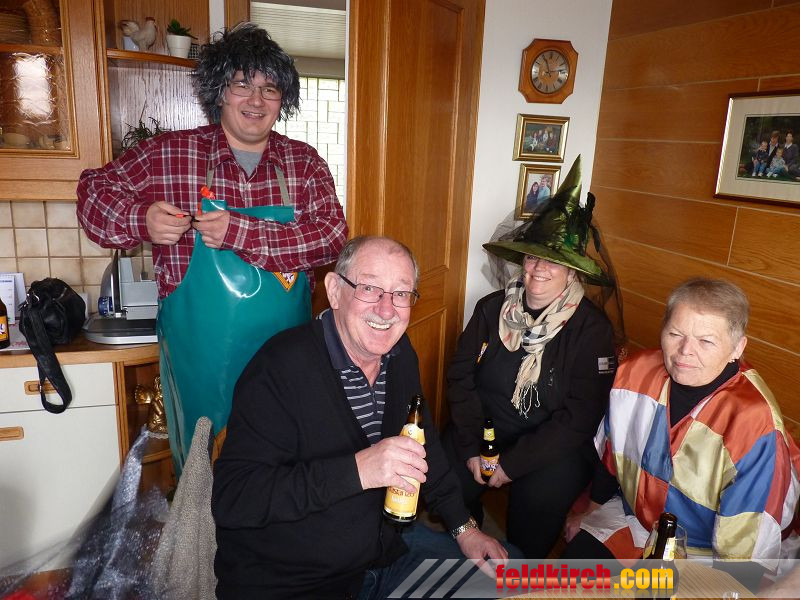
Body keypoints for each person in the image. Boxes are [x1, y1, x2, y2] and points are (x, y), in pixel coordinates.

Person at [76, 23, 347, 471]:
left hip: (286, 354)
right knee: (205, 468)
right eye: (242, 84)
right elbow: (92, 195)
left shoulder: (304, 163)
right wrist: (141, 220)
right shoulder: (168, 154)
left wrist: (240, 233)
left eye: (270, 89)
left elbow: (331, 236)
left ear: (282, 99)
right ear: (220, 91)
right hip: (200, 358)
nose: (256, 100)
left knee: (282, 459)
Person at [212, 236, 509, 599]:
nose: (386, 310)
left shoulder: (399, 354)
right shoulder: (279, 369)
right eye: (369, 288)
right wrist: (358, 470)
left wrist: (465, 528)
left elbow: (423, 443)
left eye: (401, 293)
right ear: (335, 291)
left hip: (384, 555)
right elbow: (234, 499)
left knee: (522, 578)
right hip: (294, 580)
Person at [444, 156, 619, 558]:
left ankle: (521, 570)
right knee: (449, 479)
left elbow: (580, 417)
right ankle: (467, 547)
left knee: (538, 502)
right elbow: (460, 377)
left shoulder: (591, 330)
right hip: (485, 429)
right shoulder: (491, 309)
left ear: (572, 272)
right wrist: (471, 448)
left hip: (551, 445)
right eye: (533, 256)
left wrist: (511, 465)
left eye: (554, 261)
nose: (539, 268)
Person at [563, 278, 800, 576]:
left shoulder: (754, 424)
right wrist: (592, 510)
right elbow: (612, 452)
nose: (685, 350)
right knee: (570, 574)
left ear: (737, 348)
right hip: (634, 518)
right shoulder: (635, 372)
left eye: (706, 341)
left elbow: (743, 561)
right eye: (675, 334)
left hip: (707, 554)